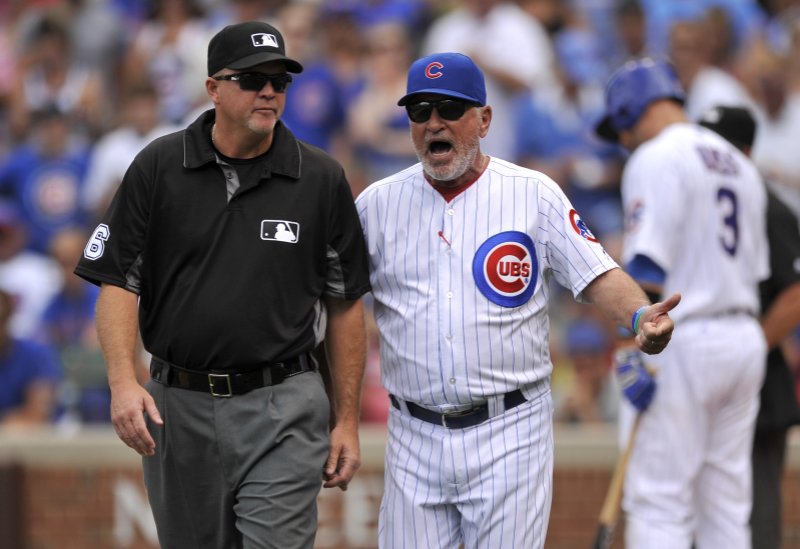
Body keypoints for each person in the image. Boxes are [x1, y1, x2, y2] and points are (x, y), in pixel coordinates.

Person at [355, 51, 680, 549]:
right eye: (420, 111)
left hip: (508, 430)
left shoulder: (533, 193)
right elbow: (336, 300)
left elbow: (596, 274)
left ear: (484, 119)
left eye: (449, 109)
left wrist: (638, 315)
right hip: (412, 434)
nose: (433, 123)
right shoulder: (376, 204)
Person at [74, 21, 371, 549]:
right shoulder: (158, 166)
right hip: (179, 403)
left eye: (280, 82)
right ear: (213, 88)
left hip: (284, 402)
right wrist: (122, 381)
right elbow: (117, 281)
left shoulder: (321, 178)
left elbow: (345, 305)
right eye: (253, 79)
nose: (269, 92)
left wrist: (346, 420)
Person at [595, 58, 770, 548]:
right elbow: (756, 272)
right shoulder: (737, 160)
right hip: (742, 337)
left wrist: (633, 350)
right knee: (726, 507)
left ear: (631, 108)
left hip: (680, 340)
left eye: (620, 126)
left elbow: (647, 267)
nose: (622, 139)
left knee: (659, 503)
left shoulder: (656, 156)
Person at [698, 104, 800, 549]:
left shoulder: (770, 207)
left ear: (744, 150)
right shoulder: (704, 204)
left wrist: (745, 344)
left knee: (755, 517)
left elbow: (796, 293)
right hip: (710, 376)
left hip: (760, 382)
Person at [0, 287, 63, 428]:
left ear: (9, 316)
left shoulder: (35, 354)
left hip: (34, 444)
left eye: (0, 319)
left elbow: (36, 416)